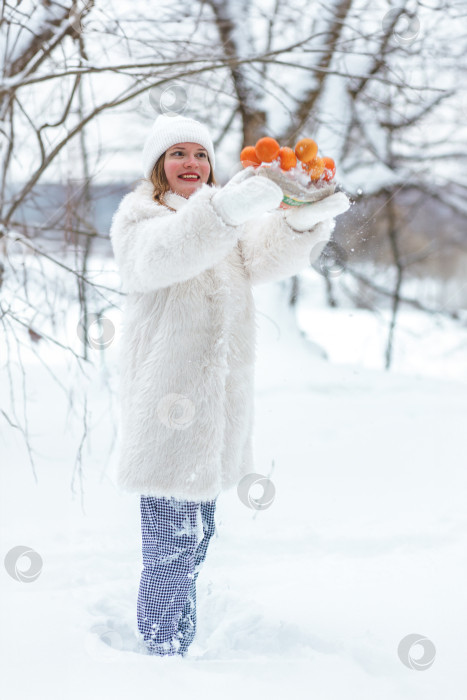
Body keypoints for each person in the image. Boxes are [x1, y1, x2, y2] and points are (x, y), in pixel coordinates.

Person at [109, 114, 349, 657]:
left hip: (217, 418)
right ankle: (162, 655)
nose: (191, 163)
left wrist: (302, 220)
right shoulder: (140, 219)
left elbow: (266, 255)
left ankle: (175, 636)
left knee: (198, 541)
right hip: (166, 418)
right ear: (158, 166)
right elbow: (167, 255)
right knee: (170, 549)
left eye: (200, 153)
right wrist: (225, 209)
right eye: (177, 154)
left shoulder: (227, 223)